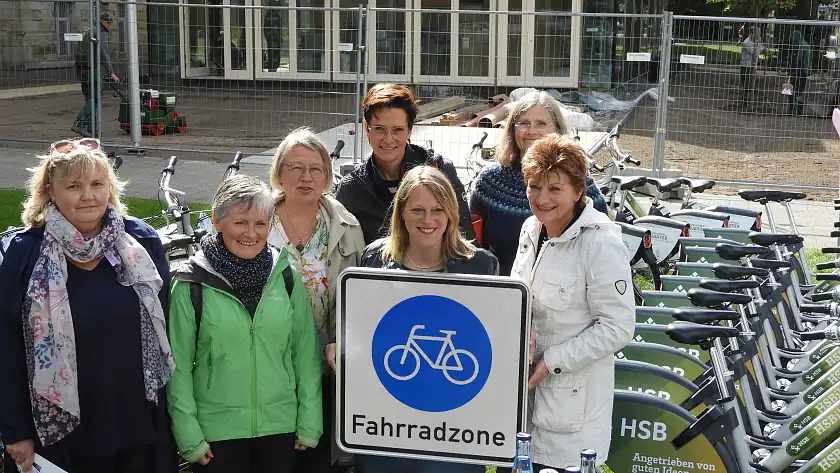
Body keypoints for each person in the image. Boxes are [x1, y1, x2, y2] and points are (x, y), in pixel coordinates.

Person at [0, 138, 176, 473]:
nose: (88, 196)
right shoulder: (25, 254)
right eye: (74, 186)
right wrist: (15, 430)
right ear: (50, 191)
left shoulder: (142, 243)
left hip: (137, 421)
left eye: (97, 184)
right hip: (60, 433)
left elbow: (167, 328)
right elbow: (5, 346)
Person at [166, 175, 323, 473]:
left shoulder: (286, 277)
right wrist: (188, 436)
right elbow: (178, 367)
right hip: (216, 436)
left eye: (260, 224)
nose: (251, 233)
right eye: (240, 222)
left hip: (281, 429)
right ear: (217, 221)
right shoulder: (191, 284)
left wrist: (310, 420)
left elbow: (305, 354)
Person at [358, 165, 497, 473]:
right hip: (386, 426)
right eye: (417, 209)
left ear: (450, 214)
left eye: (437, 210)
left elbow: (494, 340)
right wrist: (338, 346)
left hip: (454, 430)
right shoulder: (373, 261)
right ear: (401, 214)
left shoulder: (480, 266)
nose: (428, 220)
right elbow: (356, 329)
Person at [511, 134, 634, 471]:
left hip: (572, 415)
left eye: (555, 188)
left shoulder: (600, 243)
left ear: (579, 190)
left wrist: (552, 360)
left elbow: (618, 327)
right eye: (534, 186)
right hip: (525, 403)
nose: (542, 198)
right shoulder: (530, 230)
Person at [266, 128, 366, 472]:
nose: (305, 177)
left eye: (315, 169)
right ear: (279, 173)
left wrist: (342, 342)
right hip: (269, 361)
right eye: (295, 168)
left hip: (325, 359)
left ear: (327, 175)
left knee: (316, 453)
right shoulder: (257, 222)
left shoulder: (346, 226)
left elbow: (356, 297)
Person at [469, 91, 609, 275]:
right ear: (512, 129)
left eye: (541, 124)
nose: (531, 131)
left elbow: (602, 240)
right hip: (501, 292)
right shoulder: (490, 181)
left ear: (557, 130)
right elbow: (472, 241)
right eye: (524, 123)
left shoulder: (578, 180)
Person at [335, 83, 476, 245]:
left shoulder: (440, 171)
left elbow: (466, 241)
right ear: (367, 128)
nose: (388, 139)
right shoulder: (352, 189)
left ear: (409, 130)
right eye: (380, 129)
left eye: (397, 130)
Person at [72, 11, 120, 138]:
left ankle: (90, 131)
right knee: (95, 99)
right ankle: (79, 123)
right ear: (103, 22)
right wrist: (111, 72)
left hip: (81, 68)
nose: (110, 26)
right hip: (91, 68)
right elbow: (104, 53)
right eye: (108, 23)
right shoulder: (101, 32)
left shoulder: (88, 28)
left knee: (89, 99)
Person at [788, 30, 811, 116]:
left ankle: (791, 108)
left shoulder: (800, 46)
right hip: (805, 72)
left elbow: (797, 59)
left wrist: (791, 69)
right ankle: (799, 110)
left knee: (791, 90)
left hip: (798, 71)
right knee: (800, 91)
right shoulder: (806, 45)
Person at [740, 27, 762, 110]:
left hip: (752, 66)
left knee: (751, 87)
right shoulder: (747, 42)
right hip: (746, 67)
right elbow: (755, 54)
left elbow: (759, 50)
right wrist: (757, 44)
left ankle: (748, 103)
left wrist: (757, 44)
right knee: (748, 86)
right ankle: (748, 104)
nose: (759, 36)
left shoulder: (754, 41)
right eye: (757, 34)